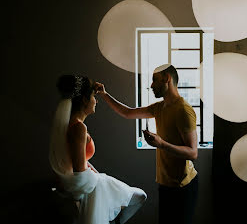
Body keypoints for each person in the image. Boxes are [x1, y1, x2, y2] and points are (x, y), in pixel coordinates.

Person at [95, 64, 198, 224]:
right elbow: (128, 113)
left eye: (154, 80)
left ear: (167, 79)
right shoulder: (160, 107)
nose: (151, 85)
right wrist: (104, 94)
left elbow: (193, 153)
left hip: (183, 186)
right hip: (165, 184)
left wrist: (161, 143)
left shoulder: (183, 110)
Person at [49, 75, 147, 224]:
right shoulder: (78, 128)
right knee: (140, 196)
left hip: (89, 179)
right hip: (88, 187)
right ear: (84, 100)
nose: (96, 101)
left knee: (137, 196)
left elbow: (77, 161)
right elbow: (80, 173)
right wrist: (100, 180)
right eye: (94, 97)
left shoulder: (70, 125)